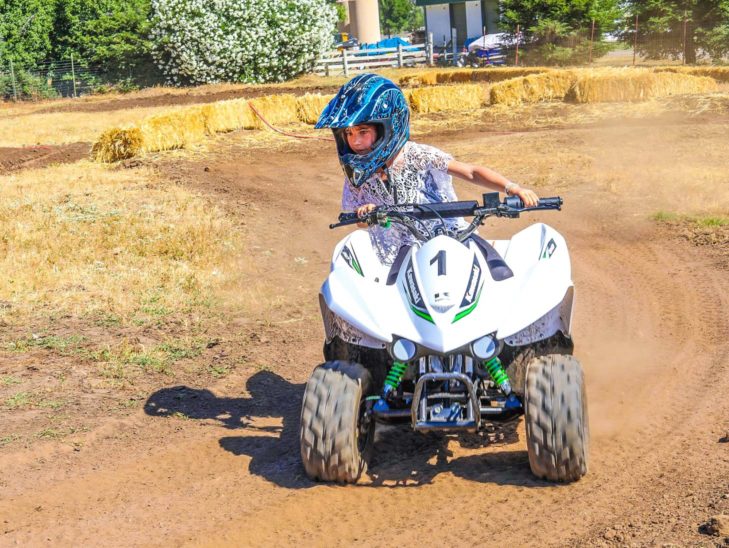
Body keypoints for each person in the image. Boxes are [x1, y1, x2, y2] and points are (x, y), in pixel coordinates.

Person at [315, 73, 539, 266]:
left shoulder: (417, 155)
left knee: (497, 271)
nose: (355, 141)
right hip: (403, 253)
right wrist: (368, 213)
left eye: (363, 132)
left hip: (452, 240)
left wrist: (512, 188)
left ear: (388, 127)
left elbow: (471, 172)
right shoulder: (358, 175)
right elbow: (360, 223)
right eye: (349, 134)